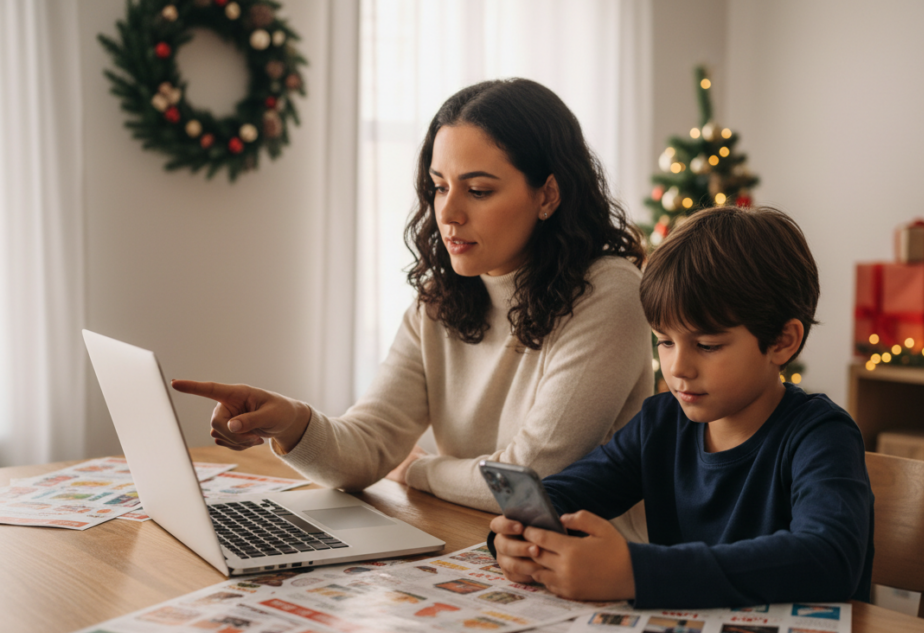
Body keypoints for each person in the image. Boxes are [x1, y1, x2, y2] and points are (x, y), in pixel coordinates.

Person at [173, 79, 653, 539]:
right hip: (479, 540)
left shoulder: (608, 291)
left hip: (587, 566)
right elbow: (367, 447)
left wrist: (419, 470)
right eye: (440, 186)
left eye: (479, 190)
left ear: (547, 194)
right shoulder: (443, 298)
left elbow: (531, 477)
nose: (448, 213)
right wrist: (290, 421)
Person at [490, 205, 875, 609]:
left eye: (707, 346)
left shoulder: (821, 436)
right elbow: (564, 493)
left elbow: (828, 558)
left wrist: (635, 573)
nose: (677, 368)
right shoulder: (660, 423)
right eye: (665, 341)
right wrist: (517, 538)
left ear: (782, 342)